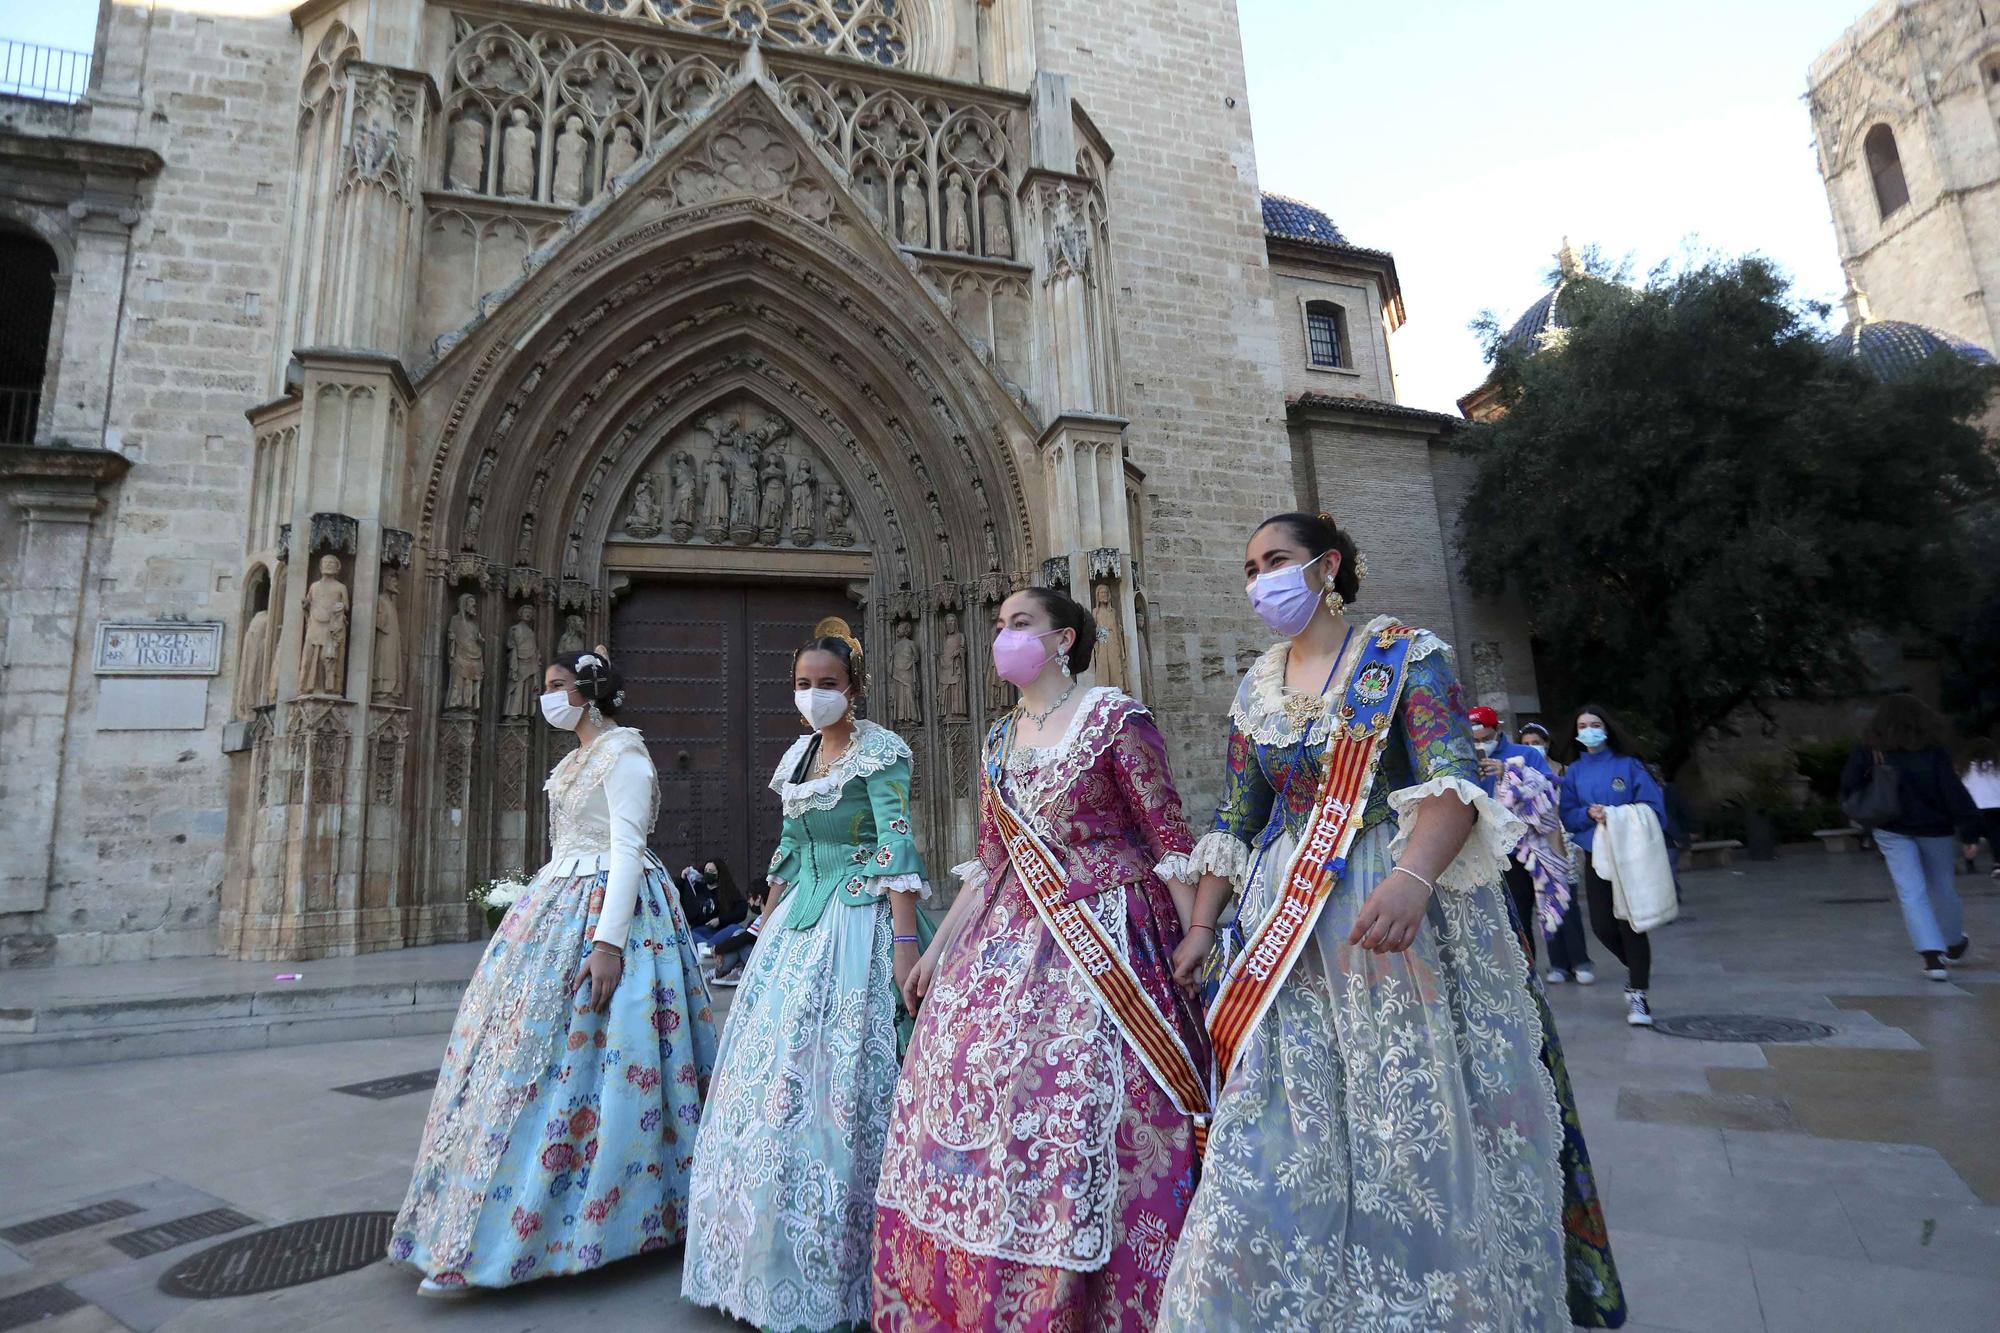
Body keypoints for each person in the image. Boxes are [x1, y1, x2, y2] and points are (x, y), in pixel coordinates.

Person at [1156, 513, 1566, 1331]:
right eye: (1249, 567)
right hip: (1285, 936)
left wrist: (1414, 877)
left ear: (1327, 565)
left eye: (1275, 560)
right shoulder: (1256, 689)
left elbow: (1452, 778)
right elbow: (1235, 817)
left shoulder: (1407, 655)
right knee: (1275, 1134)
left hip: (1386, 913)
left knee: (1398, 1128)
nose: (1258, 580)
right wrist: (1201, 927)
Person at [873, 588, 1208, 1332]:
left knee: (1080, 1097)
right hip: (1005, 932)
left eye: (1017, 624)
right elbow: (992, 859)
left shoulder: (1117, 718)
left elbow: (1168, 834)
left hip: (1111, 931)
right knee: (968, 1086)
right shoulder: (998, 739)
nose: (1002, 637)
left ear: (1062, 638)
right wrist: (936, 946)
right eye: (997, 626)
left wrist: (1198, 936)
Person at [389, 649, 716, 1293]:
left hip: (609, 914)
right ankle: (478, 1217)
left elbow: (626, 851)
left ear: (590, 693)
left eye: (559, 687)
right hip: (556, 907)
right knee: (519, 1055)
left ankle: (590, 1220)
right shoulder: (573, 761)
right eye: (547, 688)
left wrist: (607, 944)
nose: (548, 698)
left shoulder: (624, 756)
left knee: (610, 1059)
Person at [682, 619, 932, 1332]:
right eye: (803, 683)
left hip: (860, 923)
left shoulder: (881, 752)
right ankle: (760, 1255)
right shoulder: (797, 756)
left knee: (843, 1077)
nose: (814, 694)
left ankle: (852, 1262)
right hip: (797, 930)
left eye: (827, 683)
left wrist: (907, 944)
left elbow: (895, 841)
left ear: (853, 687)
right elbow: (793, 841)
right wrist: (764, 909)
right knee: (774, 1076)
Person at [1842, 695, 1980, 980]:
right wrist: (1970, 830)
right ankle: (1953, 943)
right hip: (1936, 828)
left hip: (1891, 827)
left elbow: (1849, 785)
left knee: (1911, 891)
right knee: (1943, 887)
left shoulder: (1870, 749)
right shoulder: (1934, 752)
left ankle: (1932, 958)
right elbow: (1953, 792)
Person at [1559, 706, 1667, 1026]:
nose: (1589, 729)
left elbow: (1652, 808)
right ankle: (1636, 966)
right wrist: (1589, 816)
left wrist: (1618, 817)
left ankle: (1639, 994)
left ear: (1607, 729)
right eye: (1582, 725)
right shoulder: (1575, 772)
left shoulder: (1629, 766)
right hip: (1597, 855)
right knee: (1602, 926)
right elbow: (1568, 814)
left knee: (1631, 924)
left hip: (1630, 853)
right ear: (1576, 732)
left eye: (1595, 724)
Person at [1523, 722, 1597, 983]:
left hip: (1562, 840)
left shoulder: (1561, 771)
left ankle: (1581, 961)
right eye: (1526, 743)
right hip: (1535, 842)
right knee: (1546, 904)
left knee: (1568, 903)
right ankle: (1558, 964)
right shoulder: (1519, 774)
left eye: (1536, 742)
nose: (1532, 748)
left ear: (1546, 743)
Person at [1958, 739, 2000, 878]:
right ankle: (1997, 863)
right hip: (1995, 806)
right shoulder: (1997, 766)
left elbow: (1963, 788)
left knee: (1970, 837)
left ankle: (1970, 862)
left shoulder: (1967, 768)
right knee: (1996, 837)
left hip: (1973, 807)